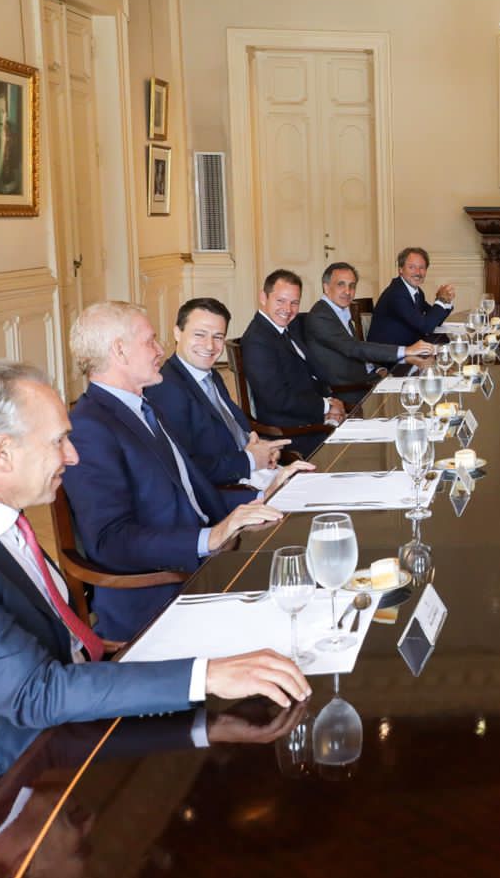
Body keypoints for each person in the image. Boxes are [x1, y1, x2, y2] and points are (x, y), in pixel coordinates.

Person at [0, 361, 311, 786]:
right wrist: (207, 674)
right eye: (59, 441)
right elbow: (36, 694)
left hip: (67, 709)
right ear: (1, 453)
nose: (72, 457)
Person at [62, 302, 300, 640]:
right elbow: (110, 541)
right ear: (119, 350)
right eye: (150, 340)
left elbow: (190, 493)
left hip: (203, 565)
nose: (161, 350)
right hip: (162, 591)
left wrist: (264, 494)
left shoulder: (143, 407)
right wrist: (210, 537)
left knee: (305, 559)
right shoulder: (89, 428)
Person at [145, 297, 288, 488]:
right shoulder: (167, 389)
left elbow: (233, 429)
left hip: (256, 472)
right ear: (177, 333)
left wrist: (264, 449)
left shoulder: (211, 374)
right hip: (234, 491)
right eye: (200, 334)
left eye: (218, 337)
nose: (210, 346)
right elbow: (186, 467)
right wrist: (251, 460)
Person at [240, 269, 346, 456]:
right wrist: (326, 406)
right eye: (280, 301)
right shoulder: (258, 339)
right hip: (290, 431)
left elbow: (312, 373)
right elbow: (277, 399)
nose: (288, 309)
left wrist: (329, 403)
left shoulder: (287, 328)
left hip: (311, 417)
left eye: (294, 303)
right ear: (263, 298)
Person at [302, 261, 432, 406]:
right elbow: (353, 348)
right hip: (350, 391)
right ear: (326, 287)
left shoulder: (337, 310)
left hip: (367, 379)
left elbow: (357, 351)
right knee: (414, 397)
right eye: (341, 285)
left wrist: (378, 368)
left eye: (352, 286)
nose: (347, 291)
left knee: (421, 385)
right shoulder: (321, 316)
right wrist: (406, 350)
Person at [367, 247, 456, 347]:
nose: (418, 272)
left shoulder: (416, 292)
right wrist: (441, 300)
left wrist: (446, 301)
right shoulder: (397, 294)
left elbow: (434, 321)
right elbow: (425, 327)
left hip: (408, 348)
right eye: (412, 267)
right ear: (400, 269)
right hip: (387, 356)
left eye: (422, 268)